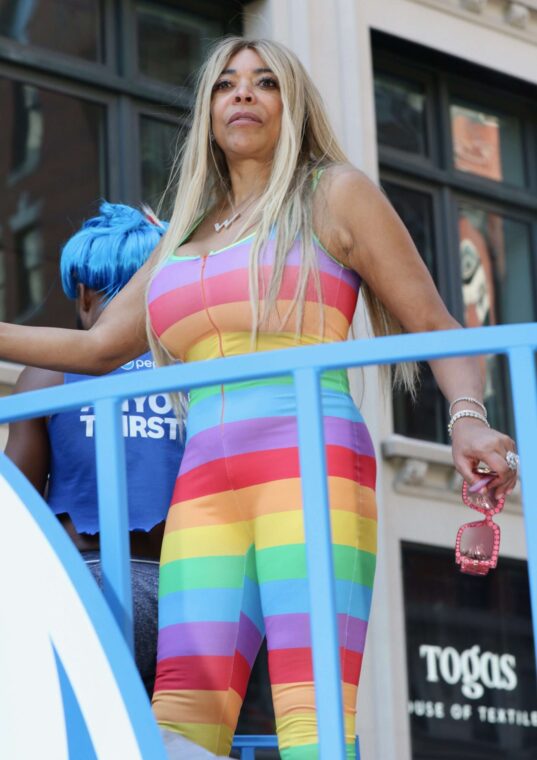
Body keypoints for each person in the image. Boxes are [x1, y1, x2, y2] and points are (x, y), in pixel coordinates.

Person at [0, 37, 518, 759]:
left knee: (311, 715)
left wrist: (466, 420)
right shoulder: (184, 229)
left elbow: (434, 323)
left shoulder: (332, 194)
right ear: (208, 110)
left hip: (311, 466)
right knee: (179, 715)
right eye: (225, 84)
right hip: (206, 481)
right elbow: (96, 348)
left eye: (265, 81)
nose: (242, 94)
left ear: (291, 104)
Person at [5, 202, 184, 696]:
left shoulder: (46, 377)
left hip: (88, 590)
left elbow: (14, 511)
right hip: (192, 596)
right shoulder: (196, 373)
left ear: (84, 295)